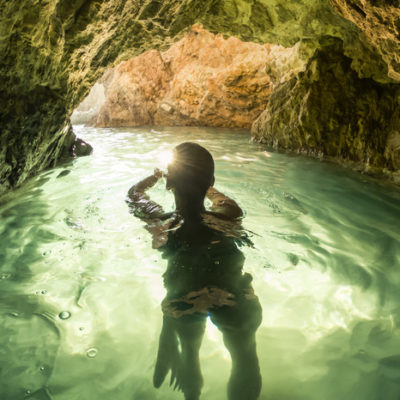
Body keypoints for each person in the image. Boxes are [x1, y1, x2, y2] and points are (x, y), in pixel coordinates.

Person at [127, 142, 262, 400]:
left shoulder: (162, 221)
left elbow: (134, 193)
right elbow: (220, 198)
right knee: (246, 360)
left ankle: (191, 376)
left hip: (183, 301)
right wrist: (205, 184)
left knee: (189, 353)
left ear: (170, 183)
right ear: (210, 180)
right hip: (236, 296)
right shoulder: (229, 215)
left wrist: (156, 177)